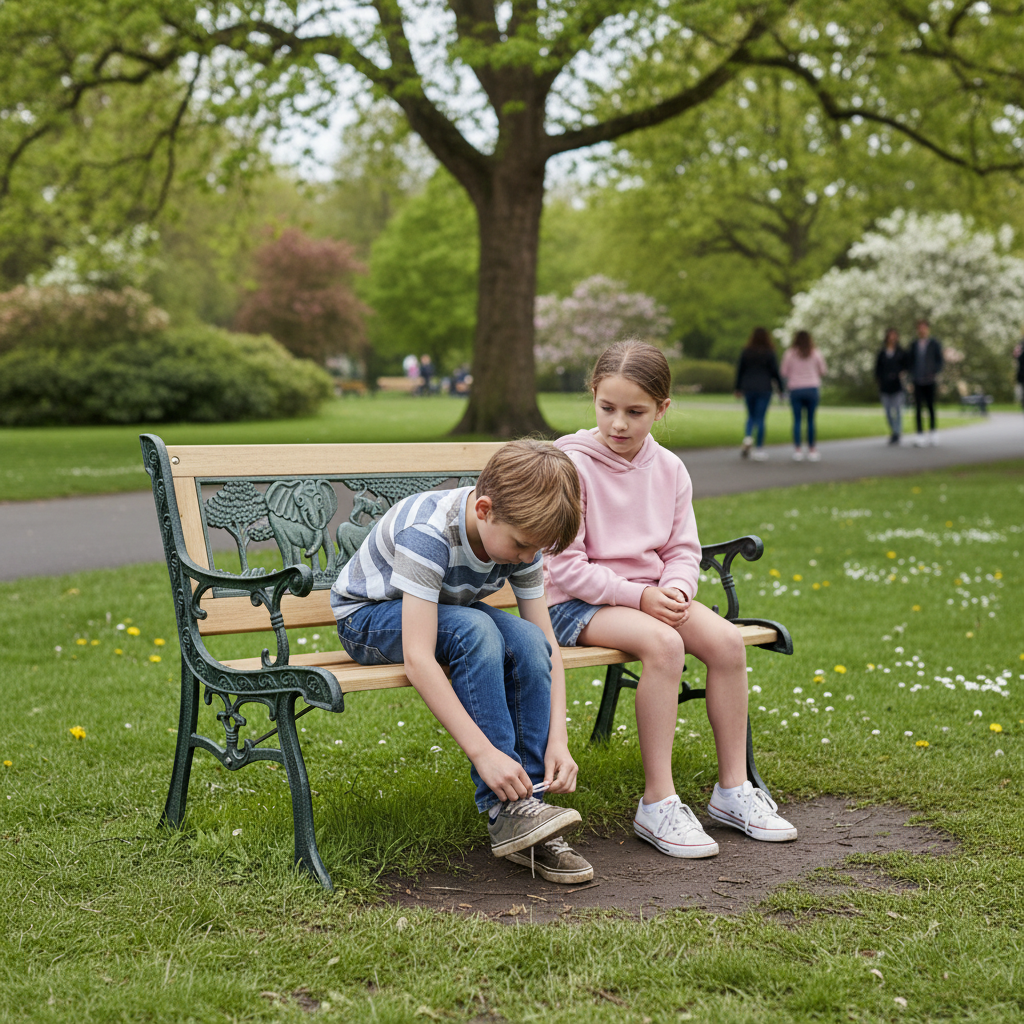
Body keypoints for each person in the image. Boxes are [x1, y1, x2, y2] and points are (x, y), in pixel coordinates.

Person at [546, 340, 797, 860]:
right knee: (665, 646)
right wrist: (640, 596)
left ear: (661, 409)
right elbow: (566, 568)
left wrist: (678, 589)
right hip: (577, 603)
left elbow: (682, 550)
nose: (619, 423)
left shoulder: (670, 468)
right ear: (593, 396)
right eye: (607, 408)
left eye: (635, 412)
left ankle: (733, 791)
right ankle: (658, 802)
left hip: (650, 598)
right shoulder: (569, 465)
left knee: (727, 642)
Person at [331, 440, 593, 884]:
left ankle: (529, 811)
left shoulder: (520, 536)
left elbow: (547, 643)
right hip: (367, 620)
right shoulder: (429, 533)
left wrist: (559, 740)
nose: (526, 558)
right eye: (522, 546)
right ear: (484, 509)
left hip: (448, 613)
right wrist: (484, 754)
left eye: (535, 550)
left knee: (527, 640)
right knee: (475, 630)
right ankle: (505, 806)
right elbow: (418, 658)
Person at [734, 326, 784, 461]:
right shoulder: (769, 352)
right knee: (760, 418)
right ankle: (759, 449)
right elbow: (775, 372)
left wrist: (737, 388)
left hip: (748, 387)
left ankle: (748, 437)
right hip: (764, 388)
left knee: (750, 415)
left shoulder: (746, 351)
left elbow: (740, 371)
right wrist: (781, 389)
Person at [780, 330, 827, 462]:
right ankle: (812, 449)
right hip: (812, 388)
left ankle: (798, 450)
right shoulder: (815, 353)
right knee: (811, 420)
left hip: (796, 389)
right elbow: (823, 370)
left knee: (797, 420)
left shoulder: (790, 354)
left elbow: (783, 372)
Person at [910, 319, 943, 447]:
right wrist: (912, 375)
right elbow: (909, 361)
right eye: (920, 327)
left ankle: (933, 432)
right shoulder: (914, 344)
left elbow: (939, 360)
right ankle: (919, 434)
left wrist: (934, 372)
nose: (922, 330)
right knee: (918, 408)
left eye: (924, 327)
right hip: (917, 380)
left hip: (930, 380)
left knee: (931, 407)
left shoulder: (934, 343)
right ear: (917, 329)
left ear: (927, 329)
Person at [875, 328, 908, 445]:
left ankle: (897, 433)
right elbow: (877, 369)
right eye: (890, 336)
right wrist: (880, 381)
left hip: (897, 386)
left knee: (898, 410)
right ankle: (894, 431)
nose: (892, 338)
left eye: (894, 336)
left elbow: (906, 366)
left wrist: (902, 374)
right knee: (888, 411)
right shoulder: (882, 353)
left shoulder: (901, 352)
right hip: (885, 386)